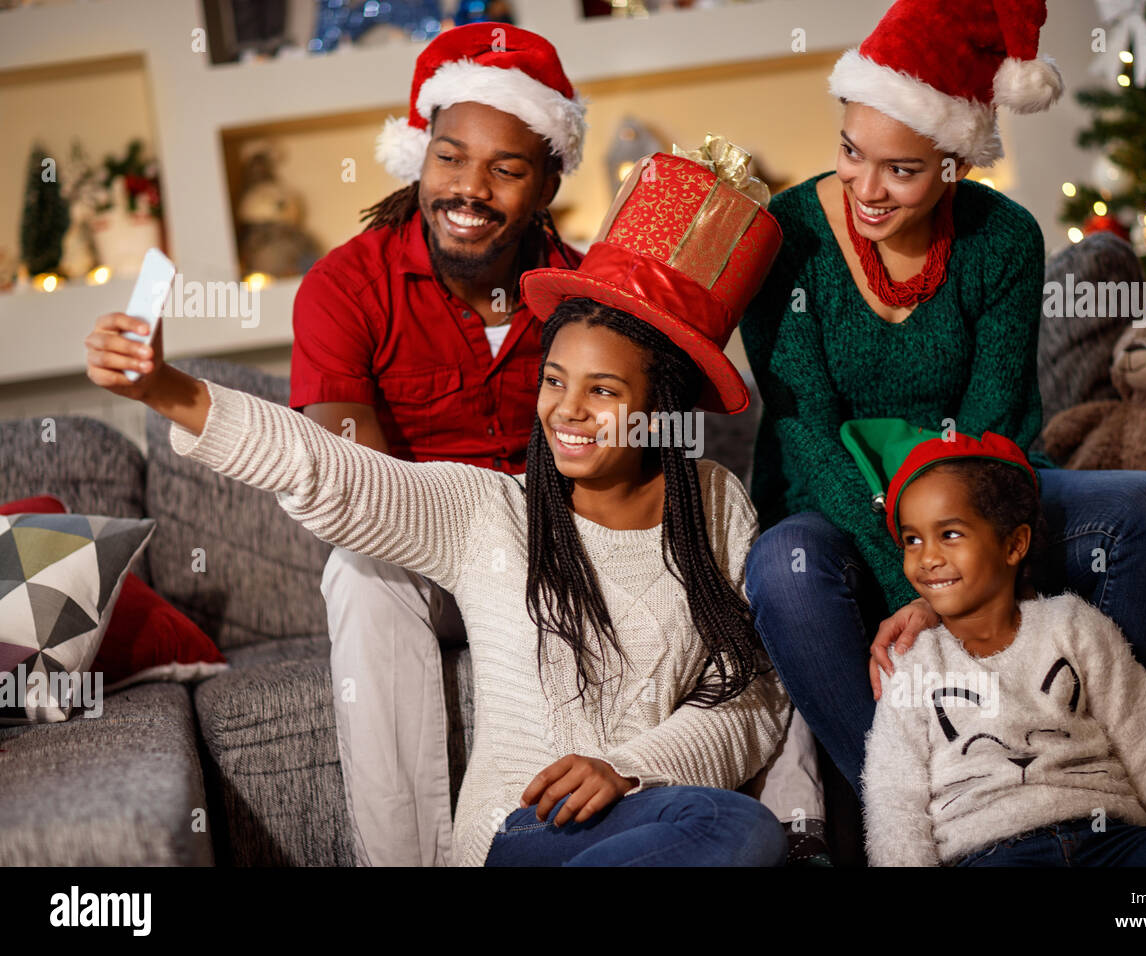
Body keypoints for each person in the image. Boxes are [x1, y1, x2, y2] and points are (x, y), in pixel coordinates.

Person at [84, 149, 792, 867]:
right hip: (523, 831)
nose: (567, 410)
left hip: (645, 810)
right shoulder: (491, 513)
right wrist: (167, 390)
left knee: (743, 828)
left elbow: (752, 697)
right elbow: (333, 473)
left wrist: (625, 767)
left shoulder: (715, 504)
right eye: (554, 380)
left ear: (661, 405)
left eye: (603, 391)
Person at [739, 0, 1146, 805]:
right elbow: (804, 437)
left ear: (956, 162)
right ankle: (921, 800)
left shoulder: (1004, 239)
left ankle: (1079, 767)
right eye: (851, 152)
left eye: (903, 170)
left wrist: (956, 556)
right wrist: (918, 574)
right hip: (837, 506)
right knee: (785, 566)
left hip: (984, 491)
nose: (867, 189)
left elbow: (995, 426)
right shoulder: (788, 237)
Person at [291, 22, 586, 865]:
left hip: (551, 550)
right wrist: (481, 529)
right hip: (415, 555)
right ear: (419, 155)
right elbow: (360, 487)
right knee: (357, 570)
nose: (470, 188)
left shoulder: (585, 290)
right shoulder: (346, 286)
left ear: (547, 182)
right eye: (450, 157)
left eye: (506, 168)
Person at [863, 430, 1146, 867]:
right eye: (912, 540)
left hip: (1113, 841)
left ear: (1015, 544)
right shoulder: (911, 660)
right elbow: (894, 798)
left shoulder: (1074, 625)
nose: (927, 558)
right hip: (993, 853)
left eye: (950, 534)